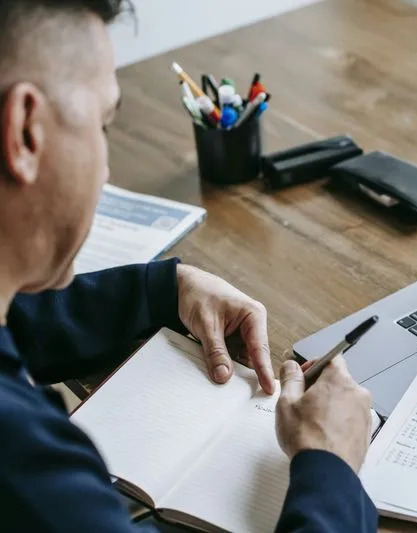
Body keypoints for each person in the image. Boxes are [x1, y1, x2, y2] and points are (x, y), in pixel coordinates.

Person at [0, 1, 377, 531]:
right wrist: (332, 469)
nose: (105, 165)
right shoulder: (28, 474)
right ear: (26, 132)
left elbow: (16, 322)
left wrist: (160, 289)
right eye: (104, 125)